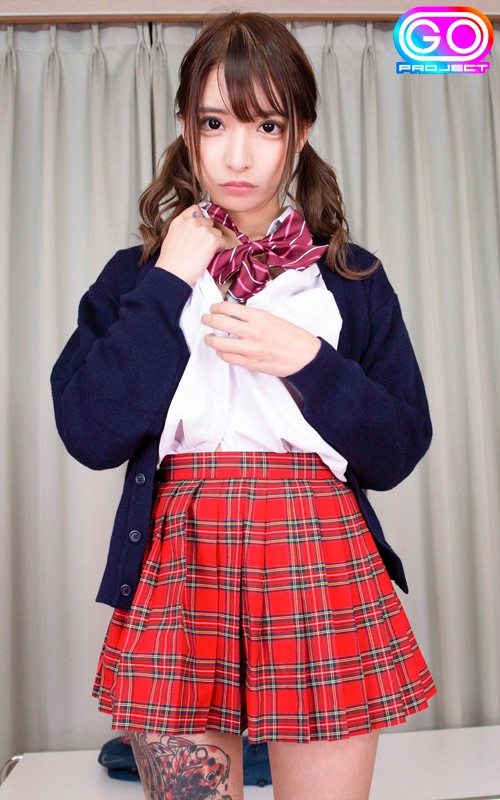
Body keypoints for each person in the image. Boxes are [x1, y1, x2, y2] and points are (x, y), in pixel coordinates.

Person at [51, 11, 436, 800]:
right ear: (187, 131)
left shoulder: (350, 279)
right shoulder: (136, 278)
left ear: (300, 134)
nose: (236, 154)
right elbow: (90, 431)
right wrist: (170, 279)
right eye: (214, 123)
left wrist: (310, 365)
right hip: (181, 558)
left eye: (266, 125)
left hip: (318, 553)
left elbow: (399, 447)